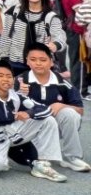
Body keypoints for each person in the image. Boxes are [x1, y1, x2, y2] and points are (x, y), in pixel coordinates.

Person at [0, 58, 67, 182]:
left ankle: (41, 164)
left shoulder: (16, 97)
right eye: (1, 76)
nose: (6, 79)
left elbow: (46, 109)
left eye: (9, 76)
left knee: (48, 121)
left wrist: (28, 113)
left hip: (12, 132)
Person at [20, 43, 89, 172]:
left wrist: (62, 105)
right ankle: (36, 154)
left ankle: (71, 157)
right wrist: (17, 93)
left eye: (43, 60)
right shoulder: (20, 81)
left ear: (51, 62)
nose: (38, 63)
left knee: (70, 113)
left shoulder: (62, 83)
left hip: (53, 128)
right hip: (27, 129)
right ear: (27, 61)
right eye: (33, 59)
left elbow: (80, 110)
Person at [0, 0, 67, 75]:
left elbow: (60, 36)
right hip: (15, 65)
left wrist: (55, 45)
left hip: (40, 66)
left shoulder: (50, 16)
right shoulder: (14, 12)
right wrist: (4, 61)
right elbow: (6, 37)